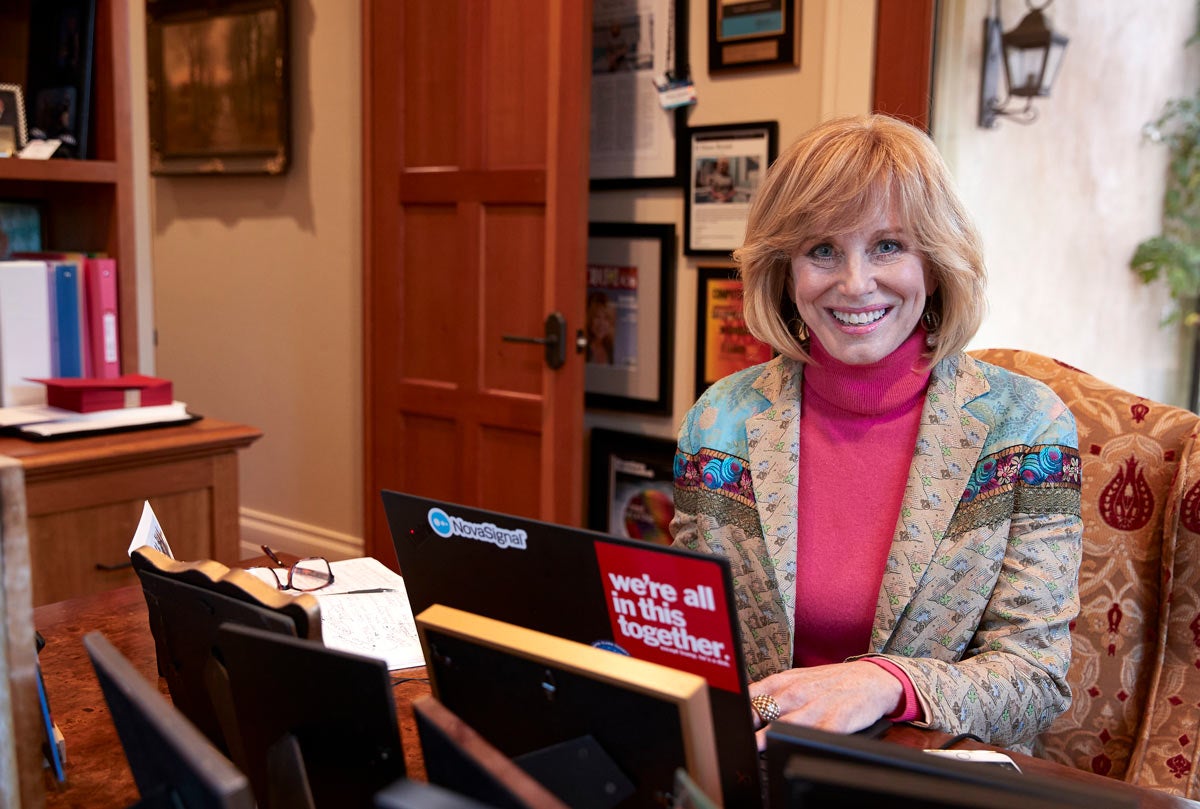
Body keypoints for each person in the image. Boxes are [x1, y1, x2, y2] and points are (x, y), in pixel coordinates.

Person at [670, 114, 1082, 751]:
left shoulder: (1025, 426)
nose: (854, 283)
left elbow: (1034, 680)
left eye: (888, 246)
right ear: (786, 270)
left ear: (935, 262)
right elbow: (694, 642)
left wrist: (884, 683)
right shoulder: (719, 420)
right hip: (756, 768)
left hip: (931, 782)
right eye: (822, 250)